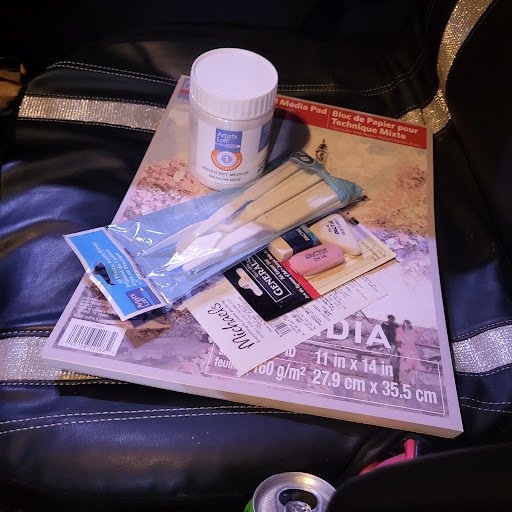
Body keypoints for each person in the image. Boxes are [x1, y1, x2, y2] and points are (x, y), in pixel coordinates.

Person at [396, 320, 424, 386]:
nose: (406, 325)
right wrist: (399, 348)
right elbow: (399, 340)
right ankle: (401, 381)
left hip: (411, 352)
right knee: (403, 367)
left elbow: (414, 339)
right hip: (404, 351)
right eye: (405, 324)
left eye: (407, 324)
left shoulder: (413, 332)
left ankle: (412, 382)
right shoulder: (401, 331)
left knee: (411, 367)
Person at [381, 314, 400, 383]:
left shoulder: (394, 326)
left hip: (392, 345)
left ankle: (395, 379)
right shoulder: (385, 325)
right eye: (389, 319)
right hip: (388, 345)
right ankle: (395, 379)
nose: (390, 320)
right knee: (393, 362)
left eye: (391, 319)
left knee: (394, 362)